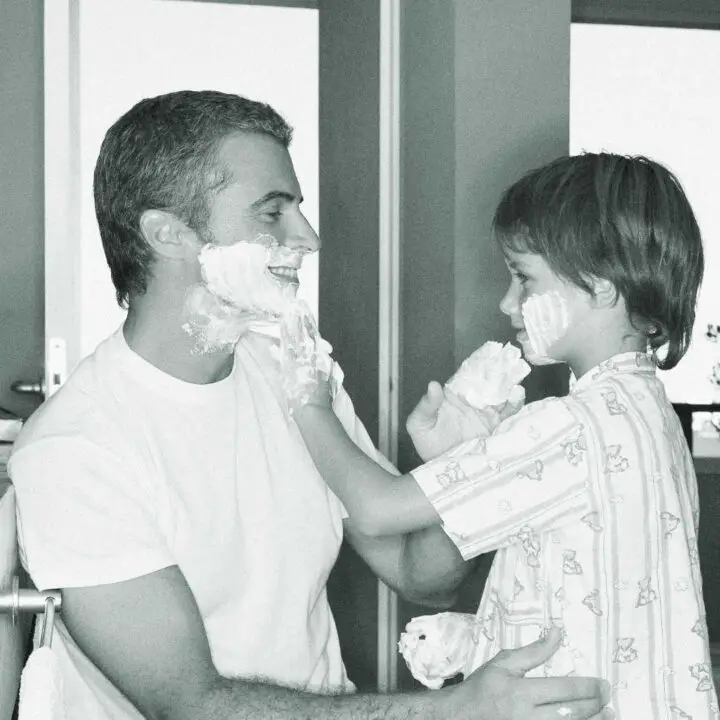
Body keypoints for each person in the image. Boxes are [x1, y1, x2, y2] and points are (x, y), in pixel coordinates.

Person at [8, 90, 611, 720]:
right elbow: (190, 704)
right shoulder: (75, 451)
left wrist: (462, 466)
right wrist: (452, 710)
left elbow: (420, 574)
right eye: (273, 213)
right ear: (169, 233)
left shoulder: (290, 372)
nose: (310, 238)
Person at [290, 153, 719, 716]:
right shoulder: (647, 413)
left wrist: (308, 400)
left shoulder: (567, 425)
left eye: (523, 277)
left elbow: (375, 509)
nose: (506, 302)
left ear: (604, 283)